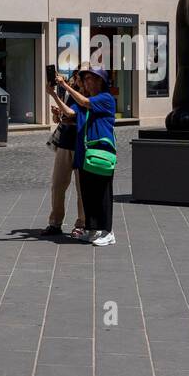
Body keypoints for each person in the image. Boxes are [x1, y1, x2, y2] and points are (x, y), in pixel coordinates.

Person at [53, 65, 117, 246]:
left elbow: (84, 104)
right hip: (86, 153)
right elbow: (71, 112)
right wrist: (54, 95)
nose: (86, 82)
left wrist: (65, 86)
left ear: (100, 81)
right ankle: (91, 229)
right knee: (88, 193)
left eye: (90, 79)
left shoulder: (105, 98)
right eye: (86, 79)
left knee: (102, 193)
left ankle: (107, 231)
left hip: (101, 151)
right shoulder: (89, 100)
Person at [42, 71, 86, 237]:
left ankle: (82, 223)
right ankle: (55, 223)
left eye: (80, 75)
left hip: (82, 145)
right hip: (65, 143)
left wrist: (54, 93)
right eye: (76, 74)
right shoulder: (71, 93)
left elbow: (73, 114)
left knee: (82, 188)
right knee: (58, 184)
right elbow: (64, 117)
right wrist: (57, 114)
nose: (76, 78)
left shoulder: (89, 96)